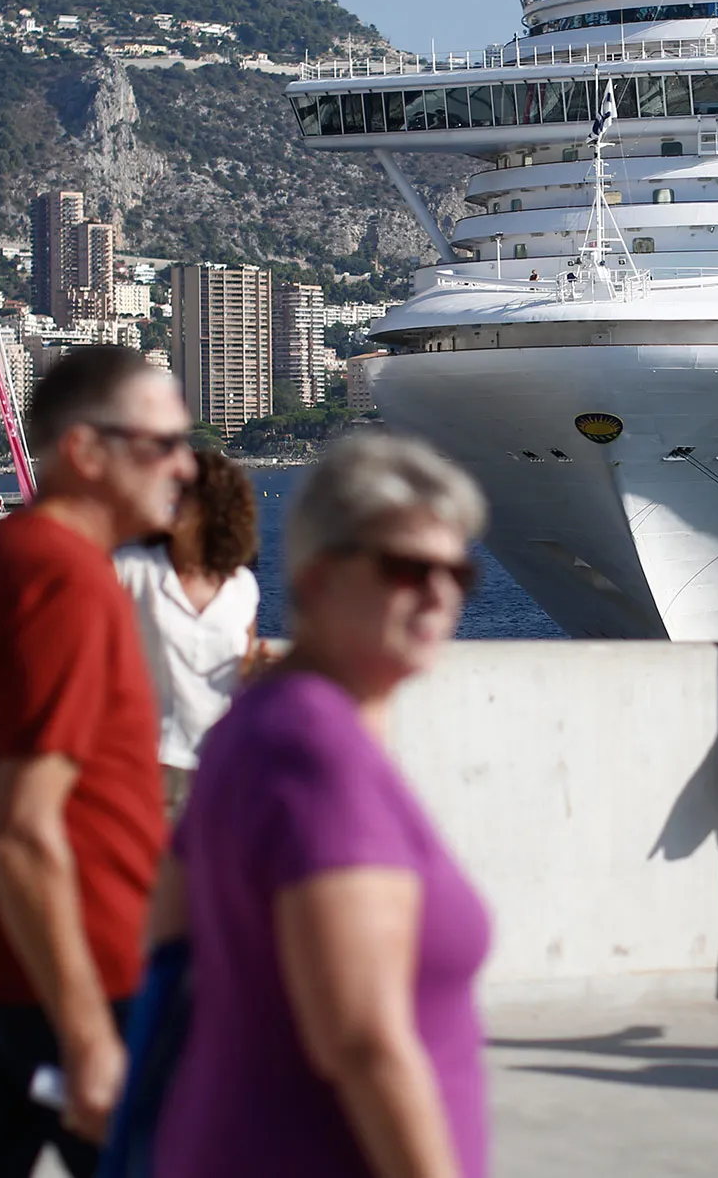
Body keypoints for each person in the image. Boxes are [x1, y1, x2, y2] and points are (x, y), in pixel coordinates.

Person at [155, 431, 493, 1177]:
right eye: (407, 568)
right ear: (315, 580)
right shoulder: (316, 750)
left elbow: (169, 933)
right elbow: (363, 1040)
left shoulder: (256, 726)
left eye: (456, 572)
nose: (438, 593)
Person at [0, 346, 195, 1175]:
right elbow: (24, 831)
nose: (186, 465)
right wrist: (88, 1039)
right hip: (84, 978)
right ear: (85, 452)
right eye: (161, 444)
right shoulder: (64, 582)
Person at [116, 449, 261, 815]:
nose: (170, 498)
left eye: (183, 492)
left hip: (224, 767)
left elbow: (242, 670)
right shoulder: (130, 570)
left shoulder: (241, 585)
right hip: (146, 767)